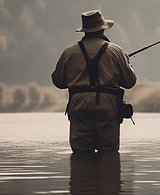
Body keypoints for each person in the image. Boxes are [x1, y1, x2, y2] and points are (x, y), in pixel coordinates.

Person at [52, 10, 136, 153]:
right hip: (108, 106)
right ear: (103, 29)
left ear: (85, 30)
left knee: (81, 154)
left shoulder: (69, 52)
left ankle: (83, 174)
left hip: (78, 105)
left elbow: (58, 81)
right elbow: (129, 81)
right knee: (108, 153)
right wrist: (126, 63)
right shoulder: (116, 51)